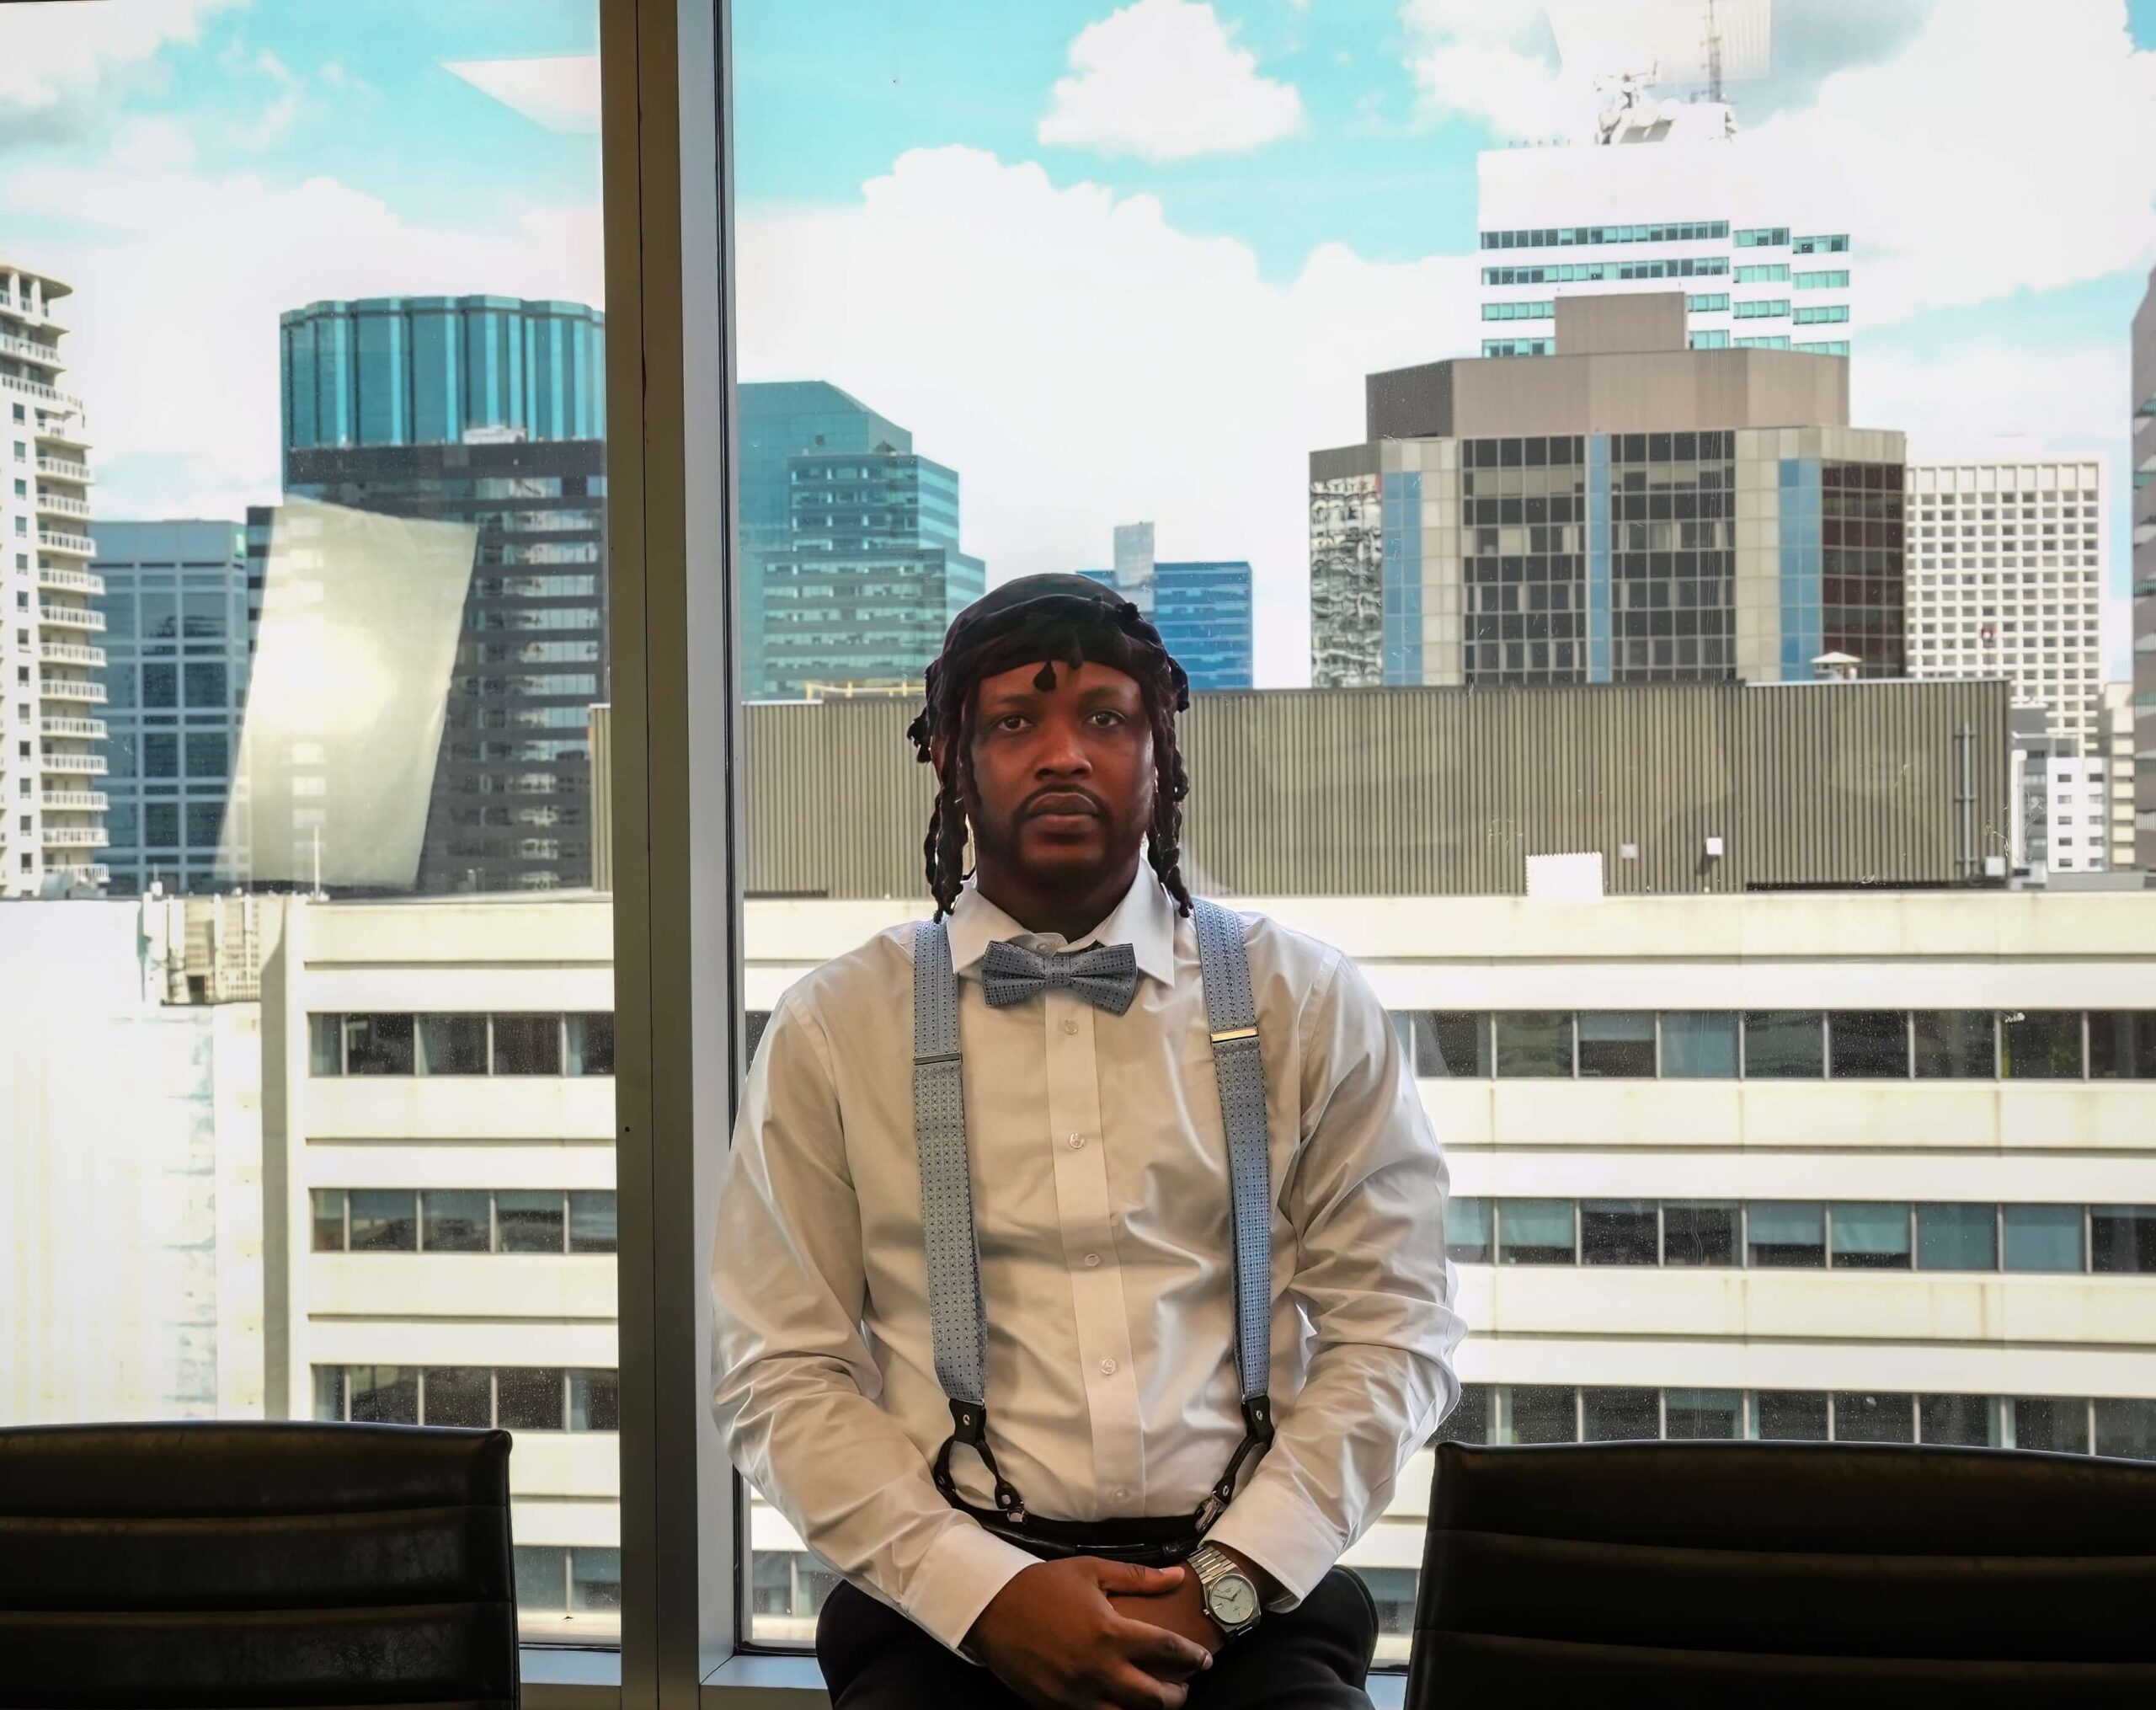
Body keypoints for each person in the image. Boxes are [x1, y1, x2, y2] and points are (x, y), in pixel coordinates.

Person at [712, 573, 1463, 1709]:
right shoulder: (835, 1026)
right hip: (946, 1613)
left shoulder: (1302, 1001)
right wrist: (989, 1596)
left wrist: (1221, 1584)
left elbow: (1397, 1331)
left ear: (1161, 754)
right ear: (950, 759)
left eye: (1105, 718)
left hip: (1247, 1604)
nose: (1063, 754)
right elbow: (778, 1369)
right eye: (1015, 721)